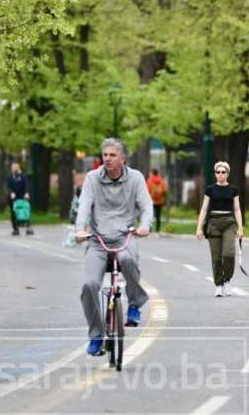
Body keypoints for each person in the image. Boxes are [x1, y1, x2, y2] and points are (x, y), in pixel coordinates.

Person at [74, 138, 153, 356]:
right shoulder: (92, 178)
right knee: (88, 285)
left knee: (128, 260)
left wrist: (145, 226)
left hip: (125, 237)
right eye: (105, 155)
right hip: (97, 240)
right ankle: (96, 335)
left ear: (122, 158)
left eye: (112, 155)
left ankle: (135, 304)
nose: (107, 159)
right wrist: (80, 229)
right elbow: (84, 207)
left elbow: (146, 206)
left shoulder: (135, 178)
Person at [196, 161, 245, 298]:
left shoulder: (233, 190)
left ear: (227, 173)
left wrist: (240, 228)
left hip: (229, 223)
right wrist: (199, 228)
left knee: (229, 253)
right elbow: (204, 209)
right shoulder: (210, 190)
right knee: (216, 257)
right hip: (214, 223)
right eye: (218, 172)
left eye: (223, 172)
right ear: (215, 174)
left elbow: (237, 209)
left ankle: (227, 280)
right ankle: (219, 285)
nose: (220, 174)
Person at [6, 162, 30, 236]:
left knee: (26, 211)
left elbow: (26, 184)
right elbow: (8, 186)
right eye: (13, 167)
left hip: (22, 196)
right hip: (13, 197)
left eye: (16, 167)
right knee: (13, 212)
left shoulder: (23, 176)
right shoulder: (9, 177)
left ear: (19, 167)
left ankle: (28, 227)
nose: (14, 168)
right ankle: (15, 229)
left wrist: (26, 193)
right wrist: (11, 193)